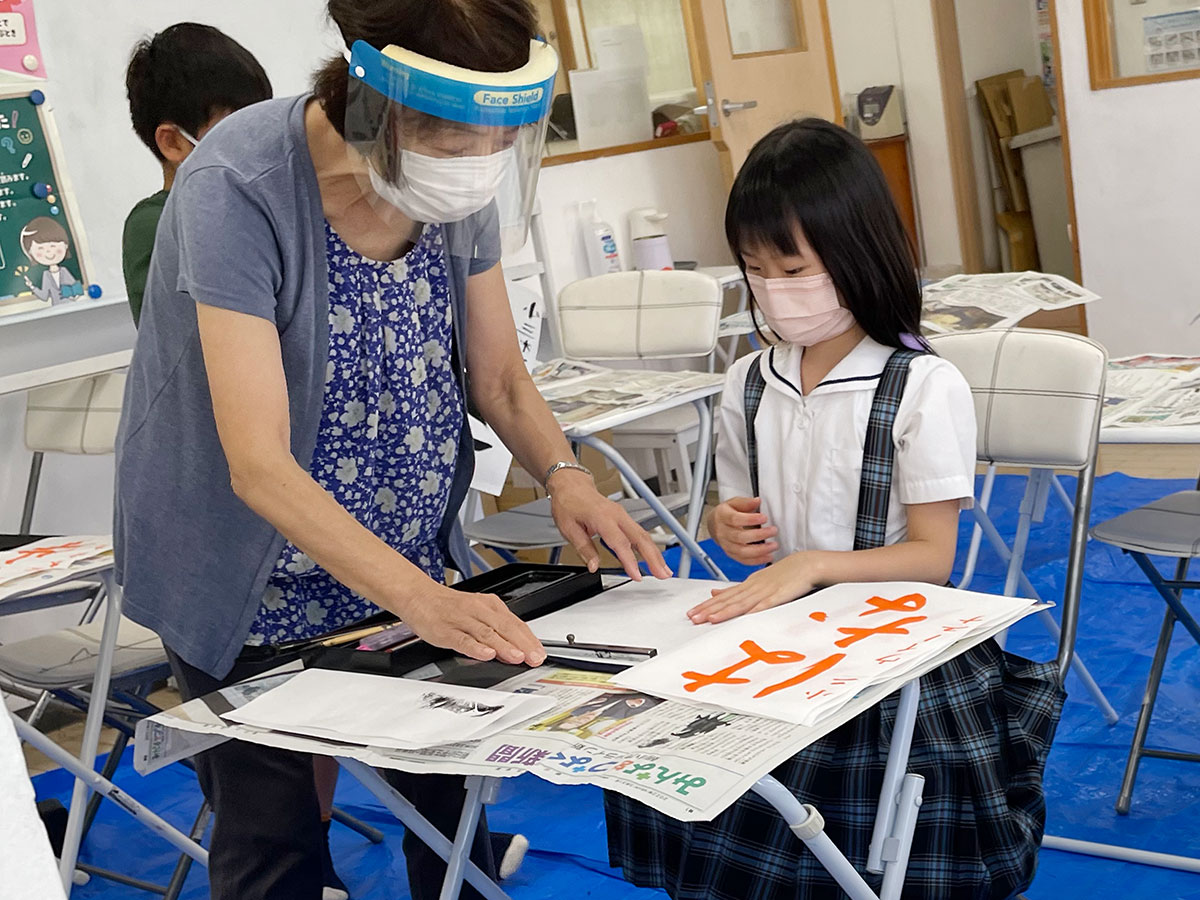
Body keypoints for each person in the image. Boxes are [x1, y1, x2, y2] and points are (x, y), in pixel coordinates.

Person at [113, 2, 670, 899]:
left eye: (494, 142)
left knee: (447, 800)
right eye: (453, 141)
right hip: (243, 573)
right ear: (376, 105)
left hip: (402, 561)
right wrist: (423, 600)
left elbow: (500, 379)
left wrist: (565, 475)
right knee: (274, 837)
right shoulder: (240, 185)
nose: (474, 166)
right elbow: (256, 461)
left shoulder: (453, 188)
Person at [605, 119, 1064, 900]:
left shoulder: (921, 385)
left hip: (892, 648)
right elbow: (739, 508)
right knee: (670, 753)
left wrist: (813, 566)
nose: (775, 289)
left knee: (849, 826)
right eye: (756, 269)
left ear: (855, 253)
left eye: (794, 267)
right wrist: (730, 525)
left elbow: (931, 557)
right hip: (778, 636)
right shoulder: (749, 381)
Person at [122, 23, 273, 327]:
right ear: (173, 141)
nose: (256, 141)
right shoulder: (154, 224)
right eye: (236, 129)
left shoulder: (260, 204)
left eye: (262, 122)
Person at [20, 217, 81, 305]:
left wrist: (76, 297)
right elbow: (44, 296)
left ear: (66, 245)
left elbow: (76, 289)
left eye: (53, 246)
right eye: (40, 248)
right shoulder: (46, 275)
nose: (48, 251)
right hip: (55, 311)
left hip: (73, 307)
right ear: (30, 253)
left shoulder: (64, 271)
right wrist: (32, 286)